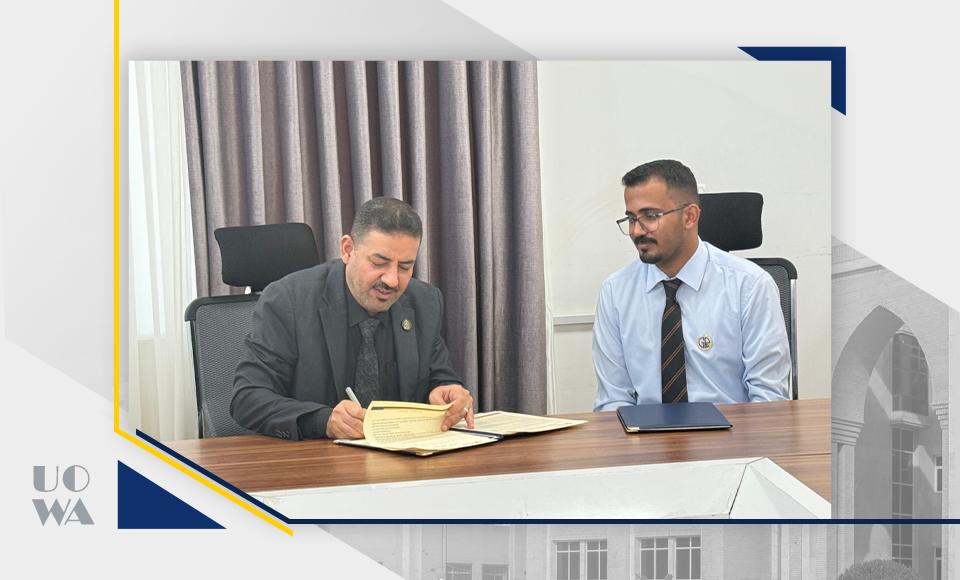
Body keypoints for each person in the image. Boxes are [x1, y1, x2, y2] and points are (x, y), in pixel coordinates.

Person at [231, 197, 474, 440]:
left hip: (403, 457)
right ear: (348, 250)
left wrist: (447, 392)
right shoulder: (288, 301)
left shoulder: (425, 303)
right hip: (316, 457)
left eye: (404, 267)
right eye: (379, 263)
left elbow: (439, 377)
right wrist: (323, 421)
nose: (391, 280)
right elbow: (247, 398)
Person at [593, 159, 790, 411]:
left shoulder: (750, 286)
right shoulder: (615, 293)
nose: (636, 231)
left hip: (733, 432)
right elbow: (613, 401)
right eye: (631, 218)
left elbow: (769, 400)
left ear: (689, 216)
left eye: (650, 217)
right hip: (645, 433)